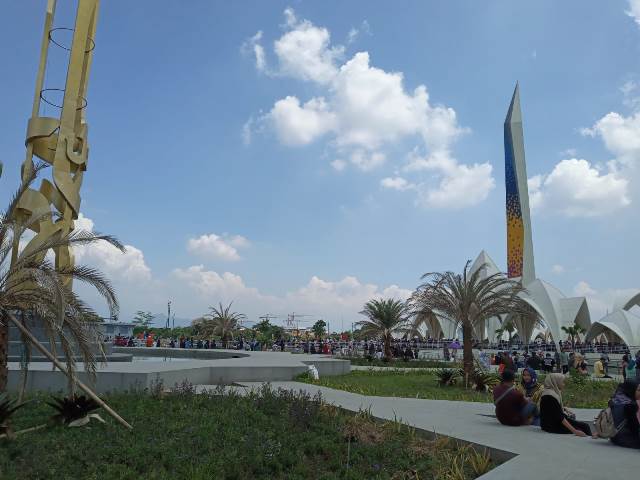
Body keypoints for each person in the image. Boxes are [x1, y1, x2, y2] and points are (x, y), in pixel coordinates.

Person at [609, 380, 640, 449]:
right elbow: (634, 428)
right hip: (625, 438)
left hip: (614, 436)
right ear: (631, 390)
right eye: (639, 390)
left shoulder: (615, 399)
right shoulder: (631, 405)